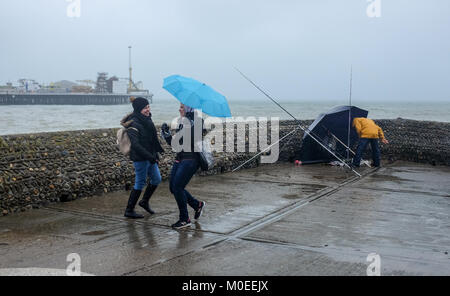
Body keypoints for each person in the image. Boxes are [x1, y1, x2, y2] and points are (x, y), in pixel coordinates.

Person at [163, 104, 206, 229]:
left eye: (182, 107)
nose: (179, 109)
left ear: (189, 108)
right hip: (180, 157)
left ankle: (184, 219)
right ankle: (197, 205)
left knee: (178, 187)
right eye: (180, 106)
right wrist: (166, 135)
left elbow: (191, 140)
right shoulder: (182, 121)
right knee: (173, 188)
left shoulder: (198, 121)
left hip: (191, 159)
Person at [121, 97, 164, 219]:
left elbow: (150, 140)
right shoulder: (133, 123)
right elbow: (135, 145)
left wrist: (154, 155)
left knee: (156, 179)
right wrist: (150, 157)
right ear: (139, 109)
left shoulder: (147, 120)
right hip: (140, 158)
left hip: (150, 157)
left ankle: (144, 201)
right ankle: (129, 210)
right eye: (145, 108)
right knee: (140, 182)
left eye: (148, 106)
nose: (148, 109)